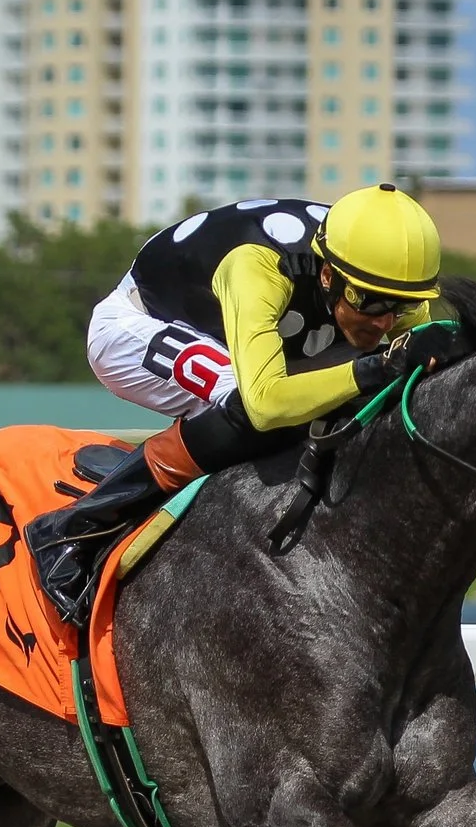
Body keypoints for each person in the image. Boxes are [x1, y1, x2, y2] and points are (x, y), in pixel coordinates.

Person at [24, 183, 452, 625]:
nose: (383, 319)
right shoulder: (257, 264)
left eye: (401, 306)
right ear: (328, 274)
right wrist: (373, 370)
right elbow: (266, 403)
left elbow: (420, 356)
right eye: (370, 301)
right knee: (247, 405)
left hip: (265, 337)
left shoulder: (382, 274)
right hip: (133, 328)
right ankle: (74, 529)